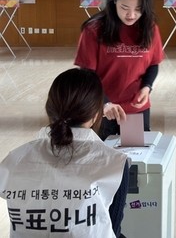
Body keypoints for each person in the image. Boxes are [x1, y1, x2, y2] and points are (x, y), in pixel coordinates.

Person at [0, 68, 129, 237]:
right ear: (96, 115)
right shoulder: (115, 164)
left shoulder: (15, 159)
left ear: (50, 110)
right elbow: (113, 229)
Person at [75, 0, 164, 141]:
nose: (131, 14)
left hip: (135, 107)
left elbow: (153, 63)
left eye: (138, 9)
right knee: (102, 159)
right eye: (125, 7)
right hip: (103, 109)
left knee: (133, 156)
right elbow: (87, 74)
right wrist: (105, 103)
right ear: (114, 1)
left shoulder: (149, 27)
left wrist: (147, 87)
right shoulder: (94, 29)